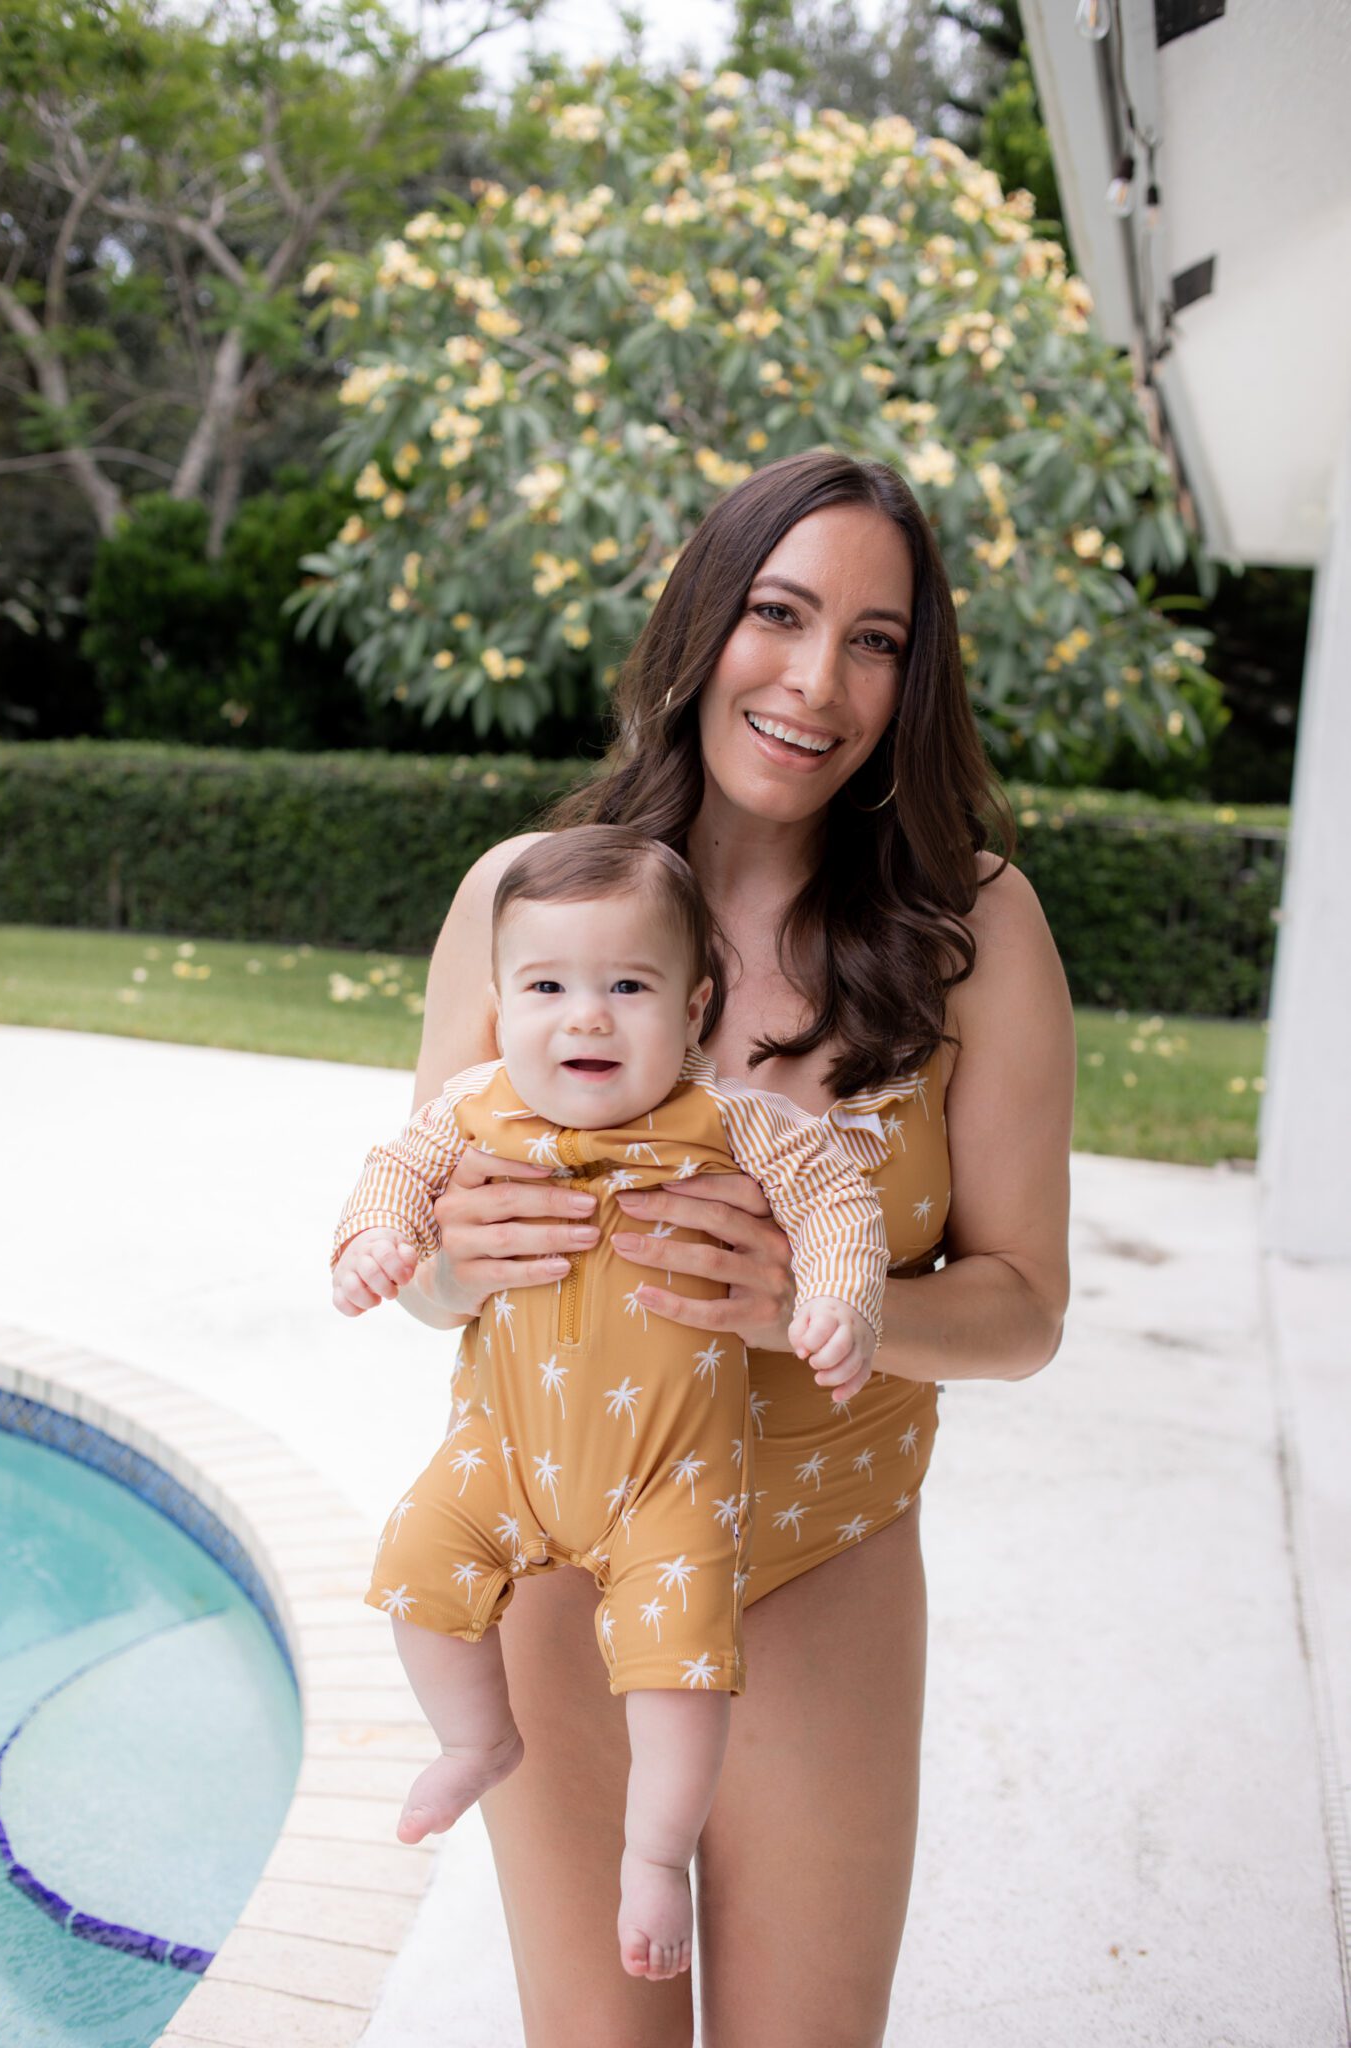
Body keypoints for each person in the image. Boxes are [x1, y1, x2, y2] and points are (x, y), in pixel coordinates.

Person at [373, 447, 1075, 2045]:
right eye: (779, 612)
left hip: (823, 1572)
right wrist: (450, 1258)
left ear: (914, 678)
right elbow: (428, 1269)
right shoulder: (524, 901)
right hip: (563, 1572)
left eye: (878, 639)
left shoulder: (972, 930)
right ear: (703, 622)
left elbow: (1023, 1305)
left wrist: (808, 1302)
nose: (817, 681)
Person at [331, 826, 898, 1980]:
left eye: (627, 986)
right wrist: (378, 1238)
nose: (585, 1016)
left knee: (679, 1674)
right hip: (506, 1452)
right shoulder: (476, 1103)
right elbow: (393, 1170)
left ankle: (653, 1852)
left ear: (693, 1008)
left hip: (671, 1480)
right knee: (414, 1564)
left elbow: (837, 1199)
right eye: (547, 986)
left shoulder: (731, 1116)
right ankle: (477, 1735)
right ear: (500, 1001)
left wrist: (843, 1298)